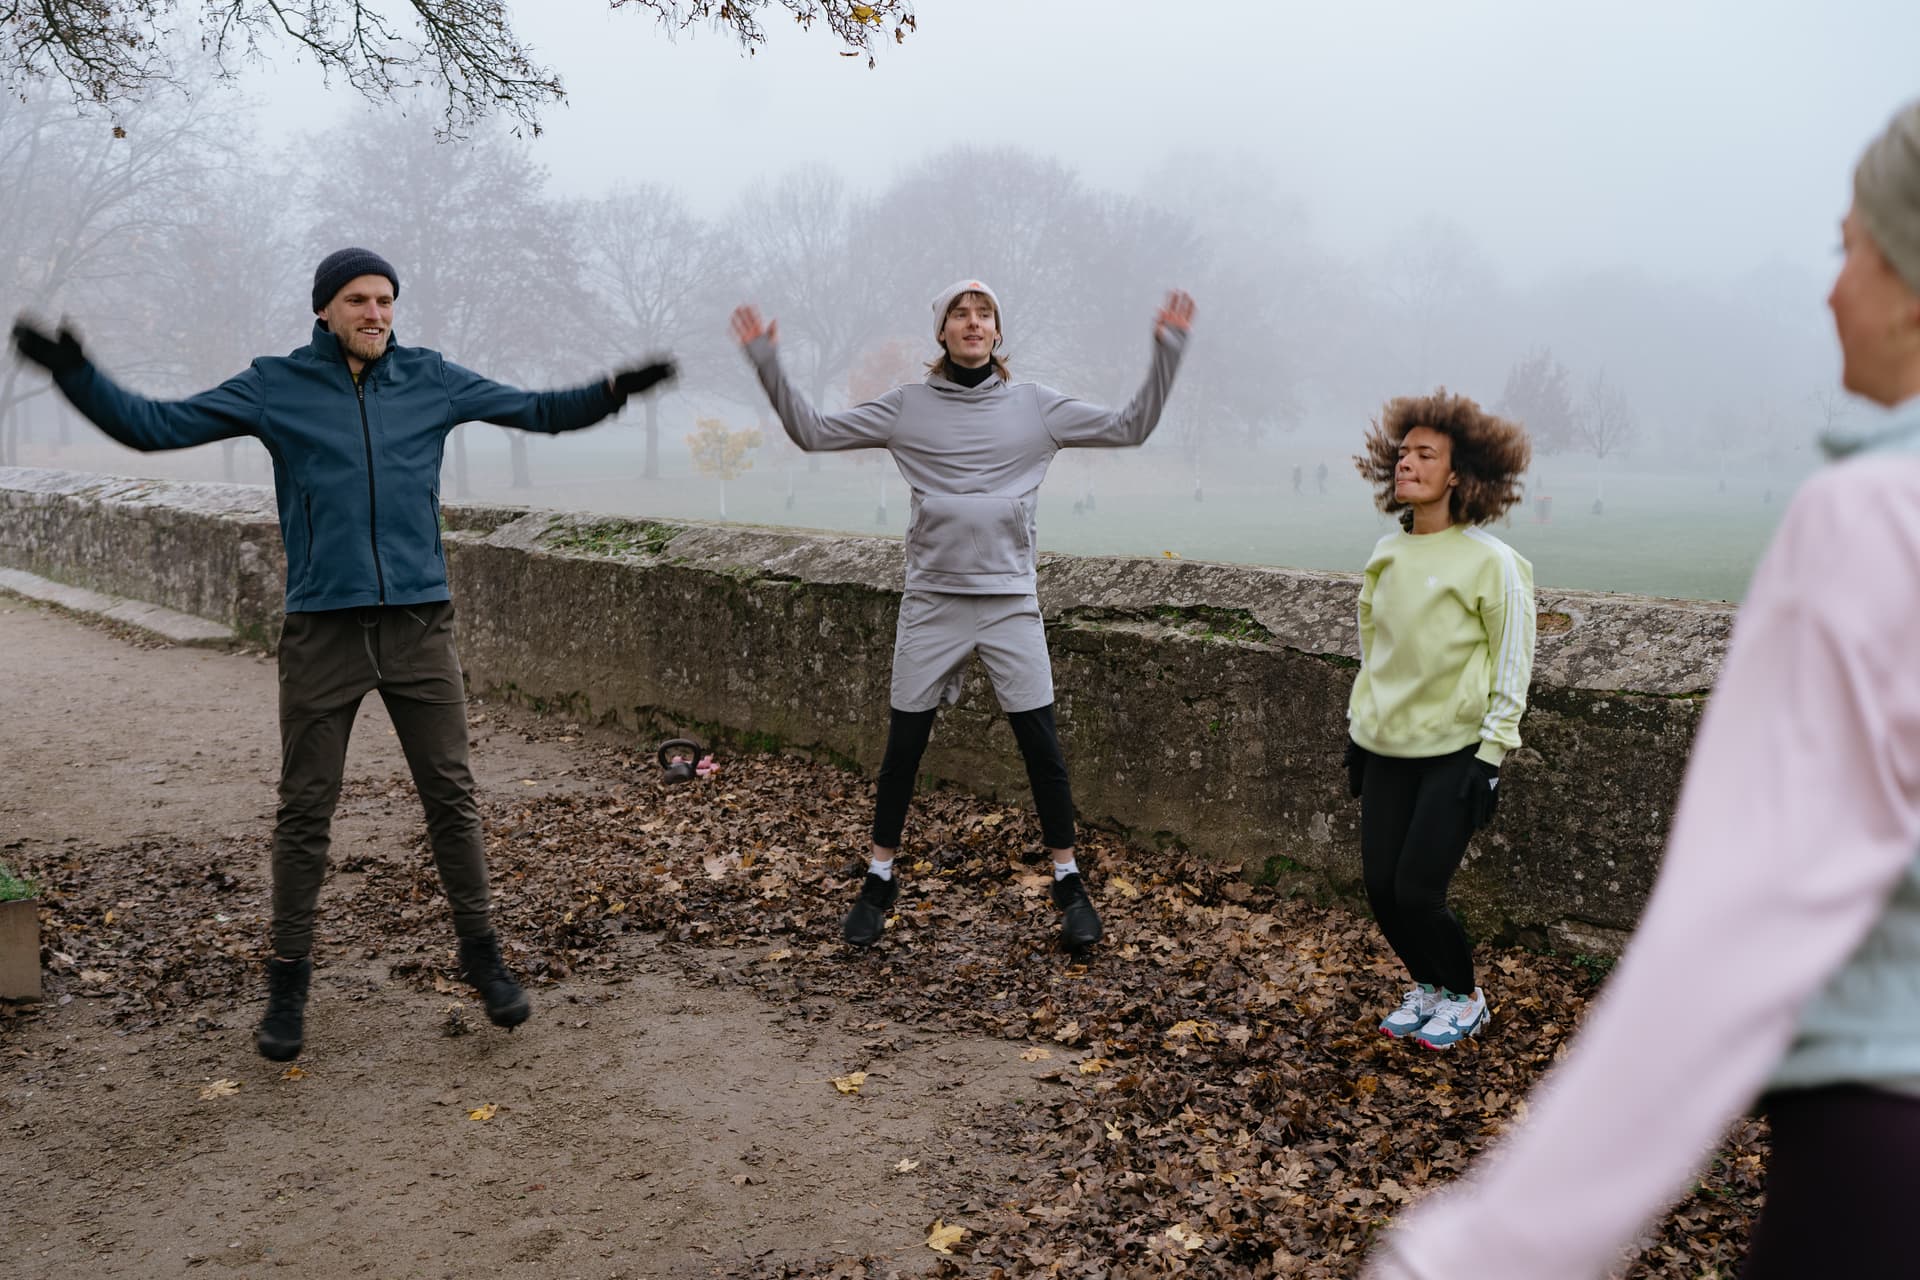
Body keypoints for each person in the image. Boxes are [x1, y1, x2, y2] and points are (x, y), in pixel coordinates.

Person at [1364, 99, 1920, 1279]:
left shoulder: (1875, 518)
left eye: (1850, 250)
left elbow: (1737, 917)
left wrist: (1478, 1251)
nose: (1832, 292)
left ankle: (1454, 994)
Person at [11, 247, 675, 1061]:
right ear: (324, 309)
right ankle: (288, 983)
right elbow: (157, 428)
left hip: (419, 626)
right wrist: (77, 375)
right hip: (323, 630)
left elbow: (537, 409)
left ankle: (482, 955)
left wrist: (615, 392)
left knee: (452, 797)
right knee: (305, 810)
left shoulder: (430, 378)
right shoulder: (276, 385)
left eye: (386, 300)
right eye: (359, 300)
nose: (376, 313)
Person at [730, 280, 1194, 951]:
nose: (972, 322)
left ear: (997, 334)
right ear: (943, 332)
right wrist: (768, 364)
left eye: (984, 314)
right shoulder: (907, 408)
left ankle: (1068, 882)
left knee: (1042, 747)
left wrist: (1168, 349)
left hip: (1009, 602)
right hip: (933, 600)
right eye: (959, 313)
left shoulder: (1036, 408)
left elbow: (1132, 427)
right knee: (903, 748)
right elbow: (812, 433)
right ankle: (880, 876)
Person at [1346, 390, 1534, 1049]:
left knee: (1419, 891)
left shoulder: (1491, 563)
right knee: (1379, 888)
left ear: (1458, 475)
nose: (1408, 463)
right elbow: (1375, 654)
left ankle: (1464, 996)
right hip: (1386, 746)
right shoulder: (1386, 555)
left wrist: (1491, 758)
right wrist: (1357, 734)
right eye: (1403, 453)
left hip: (1456, 751)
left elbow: (1513, 658)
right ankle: (1427, 986)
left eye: (1427, 454)